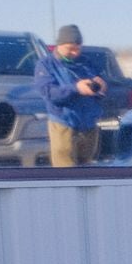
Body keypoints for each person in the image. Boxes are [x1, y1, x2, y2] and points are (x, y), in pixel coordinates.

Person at [33, 24, 107, 167]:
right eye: (70, 49)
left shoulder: (87, 63)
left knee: (87, 171)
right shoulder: (46, 65)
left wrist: (101, 86)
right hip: (63, 125)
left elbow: (99, 87)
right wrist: (75, 89)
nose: (74, 53)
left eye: (77, 49)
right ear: (59, 45)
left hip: (88, 126)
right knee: (66, 173)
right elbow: (48, 92)